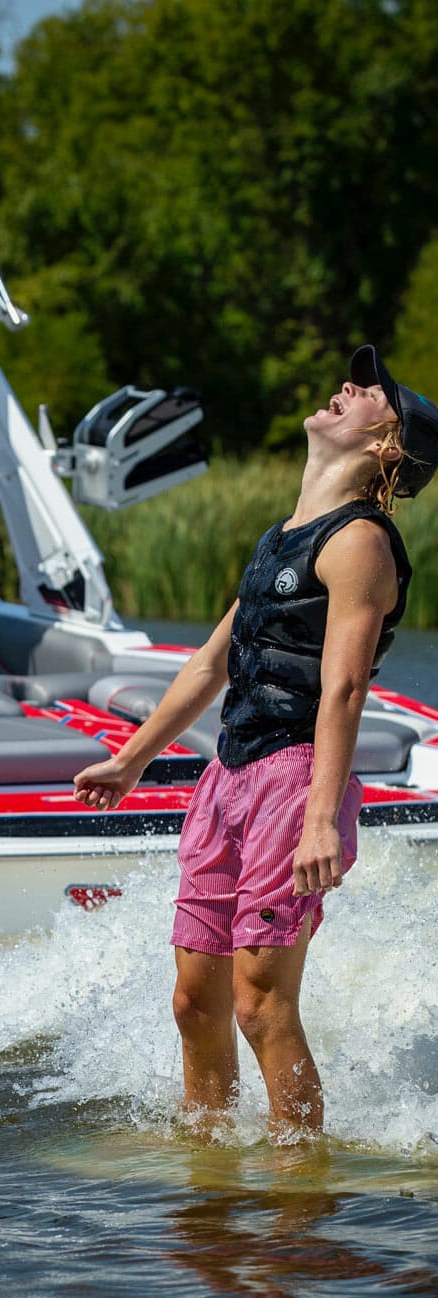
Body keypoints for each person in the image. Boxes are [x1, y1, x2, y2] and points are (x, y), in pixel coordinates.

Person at [73, 344, 438, 1139]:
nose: (348, 385)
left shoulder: (360, 542)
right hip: (228, 773)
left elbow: (342, 690)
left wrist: (318, 820)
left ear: (386, 448)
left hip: (296, 777)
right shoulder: (281, 535)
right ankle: (208, 1156)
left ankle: (295, 1177)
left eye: (370, 393)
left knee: (259, 1002)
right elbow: (209, 663)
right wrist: (133, 759)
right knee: (193, 999)